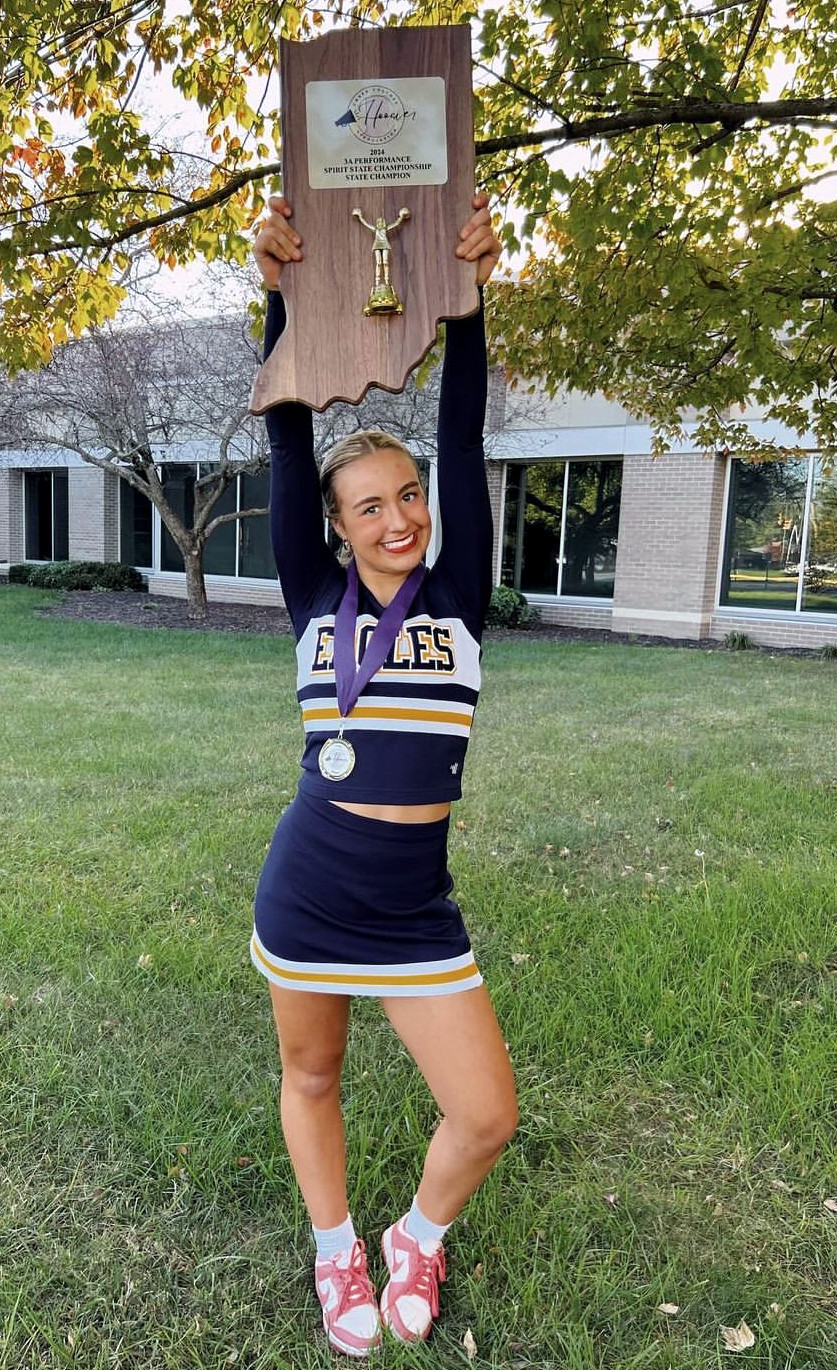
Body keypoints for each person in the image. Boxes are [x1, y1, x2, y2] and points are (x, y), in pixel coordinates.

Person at [250, 191, 518, 1358]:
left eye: (408, 496)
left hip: (415, 907)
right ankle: (335, 1249)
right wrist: (277, 295)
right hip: (308, 890)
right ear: (339, 526)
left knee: (487, 1111)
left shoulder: (454, 596)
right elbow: (283, 433)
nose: (402, 515)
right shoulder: (315, 601)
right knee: (310, 1081)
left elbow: (462, 434)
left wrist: (466, 303)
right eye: (373, 505)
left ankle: (418, 1231)